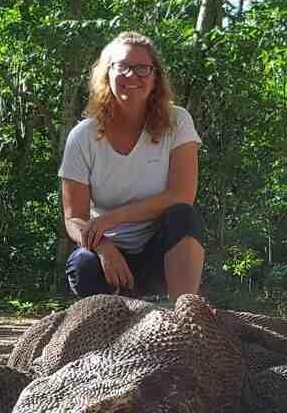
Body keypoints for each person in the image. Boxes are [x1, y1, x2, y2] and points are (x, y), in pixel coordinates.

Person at [58, 31, 204, 300]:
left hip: (160, 253)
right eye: (122, 66)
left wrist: (111, 218)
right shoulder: (82, 136)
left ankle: (182, 313)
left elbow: (181, 195)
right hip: (110, 253)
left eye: (142, 68)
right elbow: (74, 218)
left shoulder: (178, 121)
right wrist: (103, 246)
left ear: (155, 77)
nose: (132, 75)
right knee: (82, 265)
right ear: (107, 74)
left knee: (183, 215)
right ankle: (118, 311)